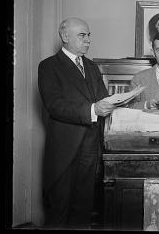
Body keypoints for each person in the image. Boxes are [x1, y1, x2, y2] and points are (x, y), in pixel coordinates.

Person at [38, 17, 116, 229]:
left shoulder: (91, 66)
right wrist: (92, 109)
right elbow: (55, 106)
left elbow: (103, 99)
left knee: (83, 210)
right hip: (64, 151)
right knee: (59, 211)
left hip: (90, 148)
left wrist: (117, 103)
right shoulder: (48, 66)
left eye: (89, 35)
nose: (88, 40)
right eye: (82, 35)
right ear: (65, 37)